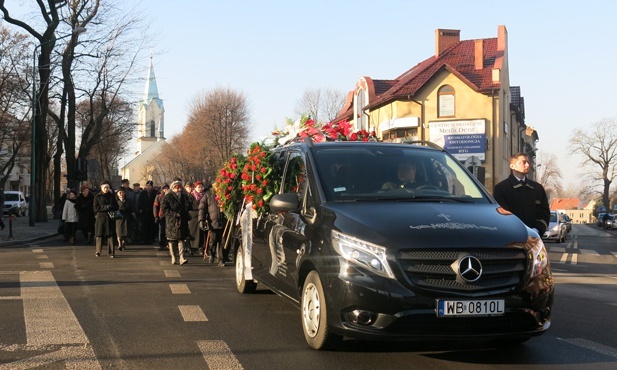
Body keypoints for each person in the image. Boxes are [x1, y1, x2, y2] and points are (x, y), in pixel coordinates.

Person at [493, 152, 550, 236]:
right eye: (523, 162)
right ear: (512, 166)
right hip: (510, 237)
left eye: (528, 162)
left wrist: (537, 230)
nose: (527, 165)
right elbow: (502, 215)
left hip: (534, 237)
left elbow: (544, 213)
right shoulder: (502, 188)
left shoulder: (537, 188)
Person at [161, 180, 192, 265]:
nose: (178, 190)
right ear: (172, 188)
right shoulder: (168, 197)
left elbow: (189, 206)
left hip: (182, 221)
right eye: (176, 188)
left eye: (179, 188)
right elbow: (164, 209)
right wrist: (174, 214)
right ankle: (173, 257)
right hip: (172, 221)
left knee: (181, 239)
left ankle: (182, 258)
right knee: (172, 240)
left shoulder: (184, 197)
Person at [198, 182, 225, 266]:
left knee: (222, 242)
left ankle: (221, 259)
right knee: (212, 241)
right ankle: (211, 254)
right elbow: (202, 208)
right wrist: (201, 220)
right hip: (213, 222)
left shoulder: (224, 194)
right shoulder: (208, 195)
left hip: (223, 222)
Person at [93, 181, 119, 258]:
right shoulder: (97, 196)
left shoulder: (111, 196)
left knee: (110, 235)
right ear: (101, 188)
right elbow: (95, 208)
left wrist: (111, 207)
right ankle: (98, 251)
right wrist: (106, 207)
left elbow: (116, 207)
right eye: (105, 188)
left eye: (107, 187)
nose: (106, 189)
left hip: (109, 218)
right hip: (100, 217)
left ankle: (111, 252)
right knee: (99, 235)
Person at [187, 181, 205, 255]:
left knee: (201, 232)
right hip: (193, 216)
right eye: (198, 187)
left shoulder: (204, 195)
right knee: (192, 232)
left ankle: (200, 247)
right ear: (195, 188)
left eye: (201, 187)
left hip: (201, 215)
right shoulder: (191, 196)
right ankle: (192, 248)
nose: (200, 189)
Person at [138, 180, 157, 244]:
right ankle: (144, 239)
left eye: (149, 186)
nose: (148, 187)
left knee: (151, 226)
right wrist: (141, 209)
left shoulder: (155, 192)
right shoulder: (143, 193)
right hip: (144, 212)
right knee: (144, 226)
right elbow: (140, 201)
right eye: (147, 185)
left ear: (152, 186)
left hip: (152, 212)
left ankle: (151, 239)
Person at [153, 184, 170, 250]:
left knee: (168, 230)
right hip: (161, 216)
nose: (165, 190)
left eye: (167, 188)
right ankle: (161, 244)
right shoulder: (159, 196)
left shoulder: (170, 196)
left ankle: (168, 243)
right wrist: (156, 216)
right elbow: (155, 207)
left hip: (169, 216)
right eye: (164, 188)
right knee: (161, 231)